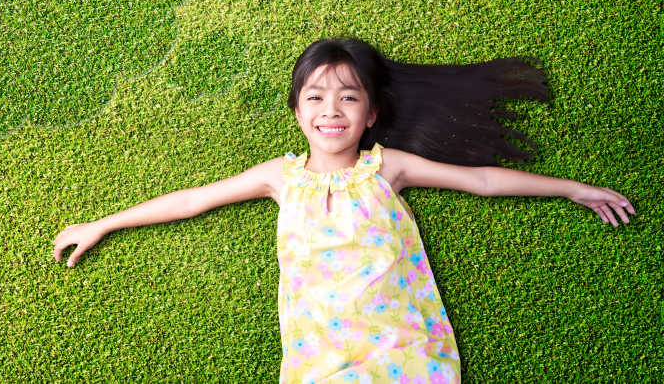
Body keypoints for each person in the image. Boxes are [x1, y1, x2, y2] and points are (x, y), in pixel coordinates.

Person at [52, 36, 635, 383]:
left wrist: (571, 188)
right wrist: (105, 222)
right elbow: (192, 201)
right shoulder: (279, 177)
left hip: (401, 354)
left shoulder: (388, 168)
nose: (331, 109)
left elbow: (480, 180)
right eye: (315, 97)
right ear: (297, 110)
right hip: (322, 363)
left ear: (371, 114)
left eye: (348, 96)